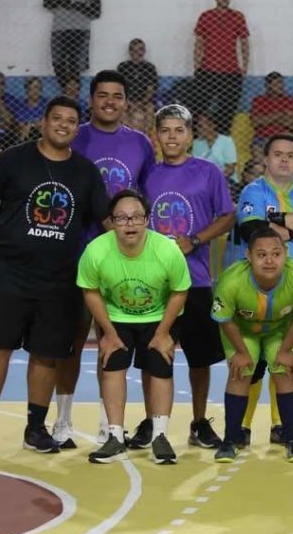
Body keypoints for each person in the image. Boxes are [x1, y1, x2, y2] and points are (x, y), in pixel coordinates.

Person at [0, 96, 109, 458]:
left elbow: (106, 222)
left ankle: (35, 427)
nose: (63, 124)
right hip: (10, 272)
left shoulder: (86, 172)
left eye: (71, 120)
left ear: (78, 128)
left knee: (46, 355)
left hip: (60, 279)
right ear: (43, 122)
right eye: (56, 118)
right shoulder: (14, 159)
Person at [51, 70, 157, 448]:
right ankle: (62, 421)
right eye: (102, 95)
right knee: (72, 341)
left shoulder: (141, 144)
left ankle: (106, 424)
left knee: (112, 343)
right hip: (77, 253)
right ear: (91, 99)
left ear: (126, 101)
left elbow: (149, 195)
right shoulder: (73, 135)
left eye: (117, 95)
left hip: (125, 260)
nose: (110, 102)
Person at [137, 104, 235, 450]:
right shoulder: (146, 174)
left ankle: (198, 422)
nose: (172, 137)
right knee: (153, 354)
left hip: (195, 279)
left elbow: (227, 216)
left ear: (191, 135)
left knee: (200, 356)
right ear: (157, 135)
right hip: (154, 282)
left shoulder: (208, 172)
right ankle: (151, 421)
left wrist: (193, 240)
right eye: (165, 130)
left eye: (179, 130)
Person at [79, 190, 190, 464]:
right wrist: (108, 334)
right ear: (112, 222)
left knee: (160, 363)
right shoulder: (96, 251)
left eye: (136, 217)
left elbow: (180, 290)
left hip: (159, 315)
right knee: (113, 363)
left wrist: (164, 333)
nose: (129, 224)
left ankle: (160, 437)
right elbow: (90, 290)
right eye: (121, 218)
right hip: (117, 316)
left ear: (147, 220)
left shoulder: (167, 250)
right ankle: (115, 436)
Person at [235, 133, 293, 444]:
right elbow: (252, 229)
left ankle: (279, 425)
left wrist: (275, 222)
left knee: (284, 357)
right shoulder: (253, 190)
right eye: (278, 154)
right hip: (256, 287)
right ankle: (242, 426)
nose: (285, 159)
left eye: (291, 154)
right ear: (266, 159)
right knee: (253, 360)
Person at [212, 227, 293, 464]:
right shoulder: (231, 280)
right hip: (242, 331)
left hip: (281, 330)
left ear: (286, 253)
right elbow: (225, 319)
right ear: (248, 256)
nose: (269, 260)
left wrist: (285, 351)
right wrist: (240, 352)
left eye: (276, 254)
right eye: (261, 255)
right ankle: (230, 440)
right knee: (241, 373)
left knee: (284, 371)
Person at [194, 0, 249, 134]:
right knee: (200, 109)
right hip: (207, 70)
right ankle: (199, 143)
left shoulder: (238, 17)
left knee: (227, 112)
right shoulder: (206, 16)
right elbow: (199, 42)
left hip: (231, 72)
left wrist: (245, 66)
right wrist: (197, 66)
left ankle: (221, 146)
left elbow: (244, 42)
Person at [43, 0, 101, 85]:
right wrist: (61, 2)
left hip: (80, 30)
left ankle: (73, 96)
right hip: (60, 29)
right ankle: (64, 92)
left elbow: (96, 13)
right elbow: (46, 3)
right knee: (58, 64)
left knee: (76, 66)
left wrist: (80, 6)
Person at [250, 71, 293, 149]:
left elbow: (291, 124)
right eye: (276, 84)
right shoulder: (258, 100)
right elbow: (255, 123)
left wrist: (266, 119)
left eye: (281, 83)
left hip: (284, 137)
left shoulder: (289, 100)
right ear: (268, 85)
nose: (280, 86)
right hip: (263, 137)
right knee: (257, 151)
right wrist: (280, 115)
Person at [191, 111, 237, 182]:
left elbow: (230, 168)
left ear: (213, 125)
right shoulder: (197, 143)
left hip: (225, 180)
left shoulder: (226, 140)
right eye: (197, 125)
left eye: (201, 126)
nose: (198, 128)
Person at [117, 38, 159, 109]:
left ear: (144, 51)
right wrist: (128, 102)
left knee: (148, 111)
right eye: (135, 50)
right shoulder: (123, 67)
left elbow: (150, 89)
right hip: (126, 100)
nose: (138, 53)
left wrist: (141, 103)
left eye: (140, 49)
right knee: (123, 112)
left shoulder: (149, 67)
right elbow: (119, 88)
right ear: (130, 52)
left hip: (145, 101)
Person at [17, 76, 47, 141]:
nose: (35, 91)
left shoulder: (46, 104)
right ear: (27, 89)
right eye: (32, 87)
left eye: (37, 87)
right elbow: (21, 125)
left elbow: (46, 122)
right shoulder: (21, 105)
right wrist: (33, 124)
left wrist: (31, 124)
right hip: (26, 133)